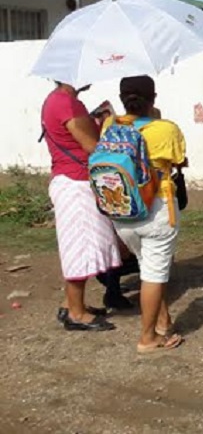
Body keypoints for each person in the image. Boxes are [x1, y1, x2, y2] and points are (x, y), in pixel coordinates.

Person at [106, 76, 186, 352]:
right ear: (153, 98)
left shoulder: (110, 126)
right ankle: (148, 338)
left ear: (122, 98)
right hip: (156, 209)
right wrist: (156, 118)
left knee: (150, 267)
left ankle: (163, 321)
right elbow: (179, 159)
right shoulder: (165, 129)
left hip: (122, 210)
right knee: (154, 272)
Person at [41, 82, 120, 331]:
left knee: (82, 244)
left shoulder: (57, 100)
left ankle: (71, 304)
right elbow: (90, 145)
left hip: (70, 178)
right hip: (76, 182)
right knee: (81, 248)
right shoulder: (67, 103)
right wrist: (106, 126)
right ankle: (76, 313)